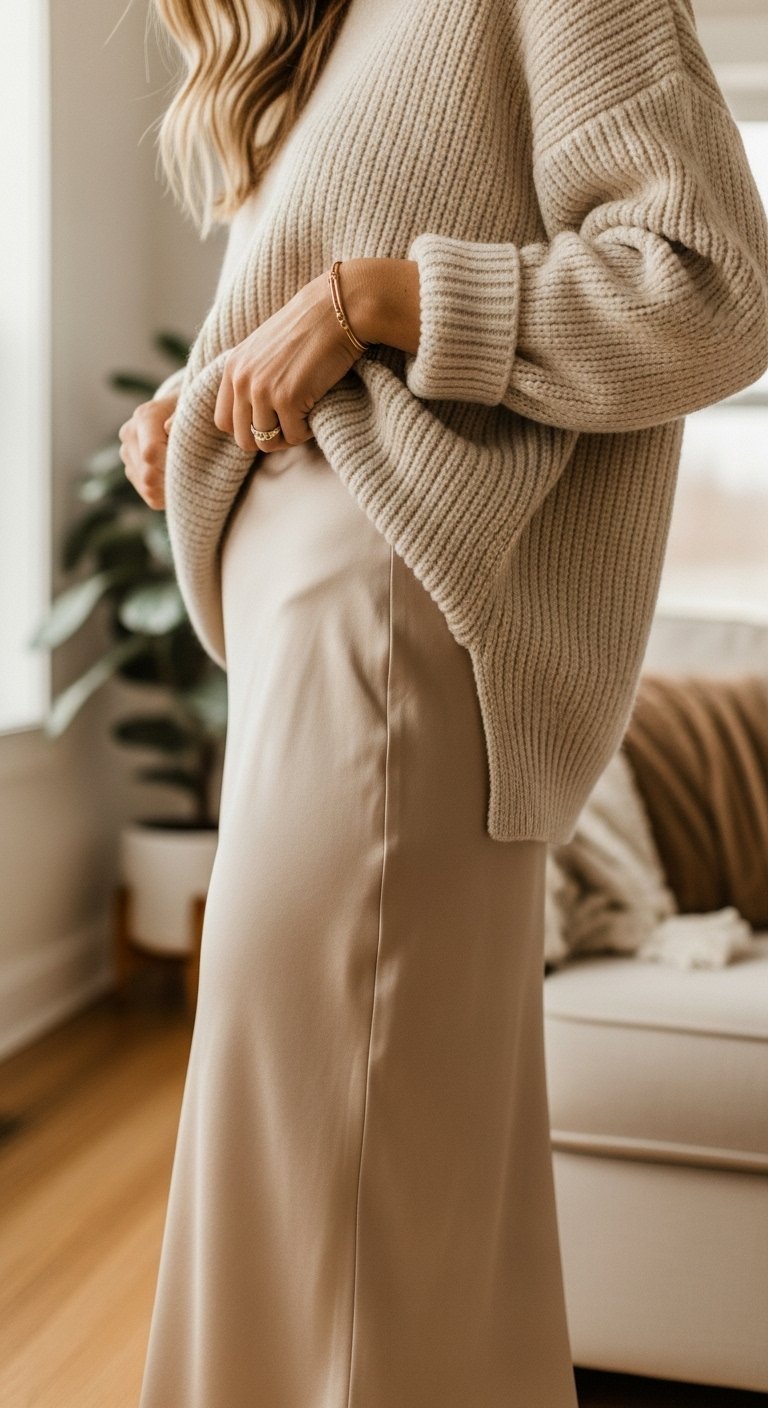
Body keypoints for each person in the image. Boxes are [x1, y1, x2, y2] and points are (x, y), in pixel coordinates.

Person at [120, 1, 768, 1405]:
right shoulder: (335, 35)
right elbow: (318, 340)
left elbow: (712, 287)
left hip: (395, 648)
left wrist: (374, 302)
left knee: (344, 1184)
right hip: (312, 655)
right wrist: (201, 404)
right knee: (361, 1187)